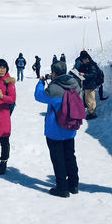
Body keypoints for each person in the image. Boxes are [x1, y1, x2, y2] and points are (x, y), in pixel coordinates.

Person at [34, 60, 81, 198]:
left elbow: (39, 96)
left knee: (58, 159)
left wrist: (41, 82)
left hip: (55, 130)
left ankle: (62, 188)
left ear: (54, 73)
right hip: (71, 127)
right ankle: (73, 185)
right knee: (70, 156)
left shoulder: (54, 88)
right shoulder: (75, 84)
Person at [77, 50, 101, 120]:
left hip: (91, 85)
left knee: (90, 100)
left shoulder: (92, 65)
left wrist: (84, 74)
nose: (82, 61)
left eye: (83, 60)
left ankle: (93, 114)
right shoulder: (86, 65)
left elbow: (93, 74)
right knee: (88, 100)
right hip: (88, 85)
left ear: (86, 59)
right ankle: (91, 112)